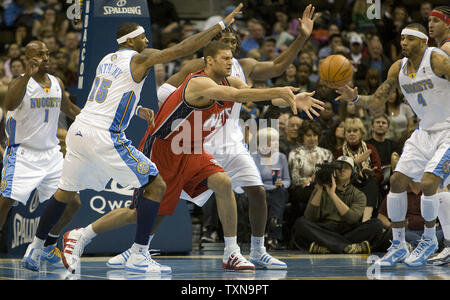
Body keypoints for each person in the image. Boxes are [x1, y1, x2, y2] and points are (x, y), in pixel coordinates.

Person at [62, 41, 322, 273]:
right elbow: (238, 96)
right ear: (209, 61)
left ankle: (231, 252)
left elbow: (252, 97)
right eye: (224, 58)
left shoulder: (229, 81)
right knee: (140, 212)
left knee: (223, 182)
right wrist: (279, 90)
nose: (230, 62)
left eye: (232, 58)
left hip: (191, 149)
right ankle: (83, 235)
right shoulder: (199, 83)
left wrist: (290, 100)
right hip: (162, 148)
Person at [21, 5, 246, 273]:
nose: (147, 41)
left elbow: (107, 96)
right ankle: (139, 254)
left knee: (64, 193)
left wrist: (136, 109)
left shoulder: (107, 59)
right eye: (143, 37)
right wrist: (219, 27)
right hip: (105, 135)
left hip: (80, 129)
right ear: (130, 40)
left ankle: (35, 249)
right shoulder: (139, 58)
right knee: (155, 186)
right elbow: (182, 49)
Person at [336, 23, 450, 267]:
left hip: (448, 130)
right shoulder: (398, 68)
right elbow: (377, 101)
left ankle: (429, 240)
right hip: (423, 131)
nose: (404, 43)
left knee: (430, 182)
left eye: (409, 38)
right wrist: (354, 98)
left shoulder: (437, 60)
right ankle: (398, 245)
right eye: (402, 39)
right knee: (396, 182)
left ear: (423, 41)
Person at [0, 41, 81, 266]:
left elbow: (68, 108)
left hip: (52, 154)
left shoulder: (56, 82)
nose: (46, 57)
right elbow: (10, 103)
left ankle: (47, 245)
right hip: (23, 153)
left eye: (47, 53)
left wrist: (92, 120)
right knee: (6, 201)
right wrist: (27, 74)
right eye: (40, 54)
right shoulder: (19, 83)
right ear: (29, 57)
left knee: (73, 202)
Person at [291, 156, 383, 254]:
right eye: (339, 167)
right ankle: (348, 247)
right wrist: (318, 190)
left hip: (347, 229)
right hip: (324, 228)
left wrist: (332, 195)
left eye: (346, 168)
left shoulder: (359, 195)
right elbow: (309, 218)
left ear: (353, 172)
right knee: (300, 223)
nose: (342, 170)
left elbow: (352, 218)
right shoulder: (322, 188)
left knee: (376, 224)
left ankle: (327, 246)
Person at [426, 5, 450, 266]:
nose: (430, 25)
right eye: (428, 21)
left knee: (440, 187)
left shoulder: (444, 50)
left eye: (436, 20)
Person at [336, 117, 383, 221]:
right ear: (345, 134)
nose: (352, 134)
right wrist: (356, 162)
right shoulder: (339, 151)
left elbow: (380, 174)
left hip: (367, 184)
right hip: (349, 184)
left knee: (373, 181)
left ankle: (366, 219)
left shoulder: (370, 149)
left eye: (355, 131)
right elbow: (337, 175)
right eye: (349, 131)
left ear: (361, 133)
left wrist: (370, 173)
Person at [251, 127, 290, 249]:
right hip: (261, 190)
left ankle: (273, 225)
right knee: (269, 195)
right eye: (272, 141)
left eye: (276, 140)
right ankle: (273, 231)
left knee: (281, 192)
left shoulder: (282, 157)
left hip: (277, 191)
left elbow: (288, 180)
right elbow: (255, 181)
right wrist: (271, 186)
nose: (277, 143)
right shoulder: (254, 158)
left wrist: (281, 183)